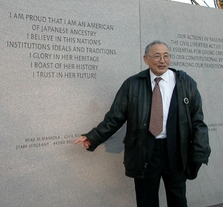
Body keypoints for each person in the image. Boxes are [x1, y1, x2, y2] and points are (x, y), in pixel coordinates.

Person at [74, 40, 211, 207]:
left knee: (178, 199)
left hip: (176, 151)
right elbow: (115, 117)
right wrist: (93, 137)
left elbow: (197, 121)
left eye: (166, 56)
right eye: (157, 56)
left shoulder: (185, 83)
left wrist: (200, 151)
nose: (162, 60)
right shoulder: (132, 84)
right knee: (146, 200)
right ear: (146, 59)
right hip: (145, 151)